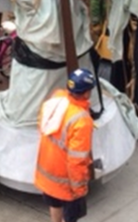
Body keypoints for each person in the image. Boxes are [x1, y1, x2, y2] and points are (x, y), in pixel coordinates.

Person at [35, 68, 96, 222]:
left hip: (47, 171)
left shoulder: (56, 98)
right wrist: (79, 189)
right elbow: (77, 160)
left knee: (54, 205)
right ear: (87, 93)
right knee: (71, 217)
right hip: (65, 181)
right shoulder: (81, 121)